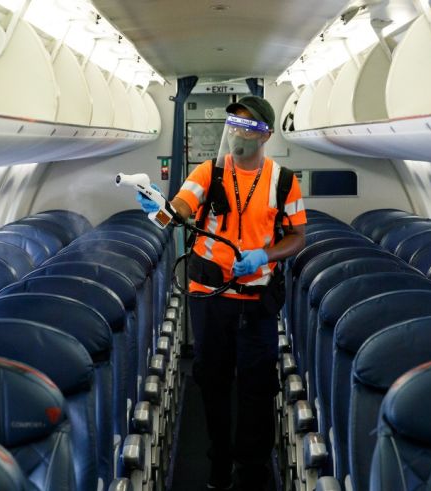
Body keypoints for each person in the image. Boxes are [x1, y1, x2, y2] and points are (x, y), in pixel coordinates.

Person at [137, 95, 307, 489]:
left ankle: (251, 466)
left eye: (246, 128)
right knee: (212, 382)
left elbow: (298, 236)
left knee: (257, 386)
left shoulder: (283, 181)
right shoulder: (207, 173)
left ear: (264, 135)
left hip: (256, 300)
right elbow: (177, 211)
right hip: (210, 298)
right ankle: (218, 460)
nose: (235, 135)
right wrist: (157, 209)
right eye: (232, 126)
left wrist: (265, 254)